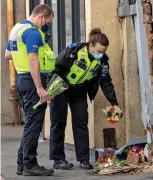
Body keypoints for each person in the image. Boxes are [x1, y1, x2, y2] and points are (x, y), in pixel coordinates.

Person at [49, 28, 123, 170]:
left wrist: (114, 103)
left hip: (79, 90)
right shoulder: (73, 51)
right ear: (90, 45)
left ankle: (83, 159)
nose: (100, 54)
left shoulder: (102, 62)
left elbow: (106, 82)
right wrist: (49, 90)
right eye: (98, 51)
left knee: (81, 123)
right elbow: (56, 68)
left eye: (103, 52)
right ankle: (58, 159)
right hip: (60, 87)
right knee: (58, 123)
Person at [5, 4, 55, 176]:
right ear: (41, 16)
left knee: (30, 122)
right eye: (47, 22)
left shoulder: (17, 29)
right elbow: (33, 60)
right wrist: (40, 87)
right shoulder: (33, 32)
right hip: (32, 80)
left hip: (21, 78)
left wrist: (22, 57)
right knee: (34, 123)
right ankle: (29, 164)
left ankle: (22, 162)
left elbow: (8, 54)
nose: (46, 25)